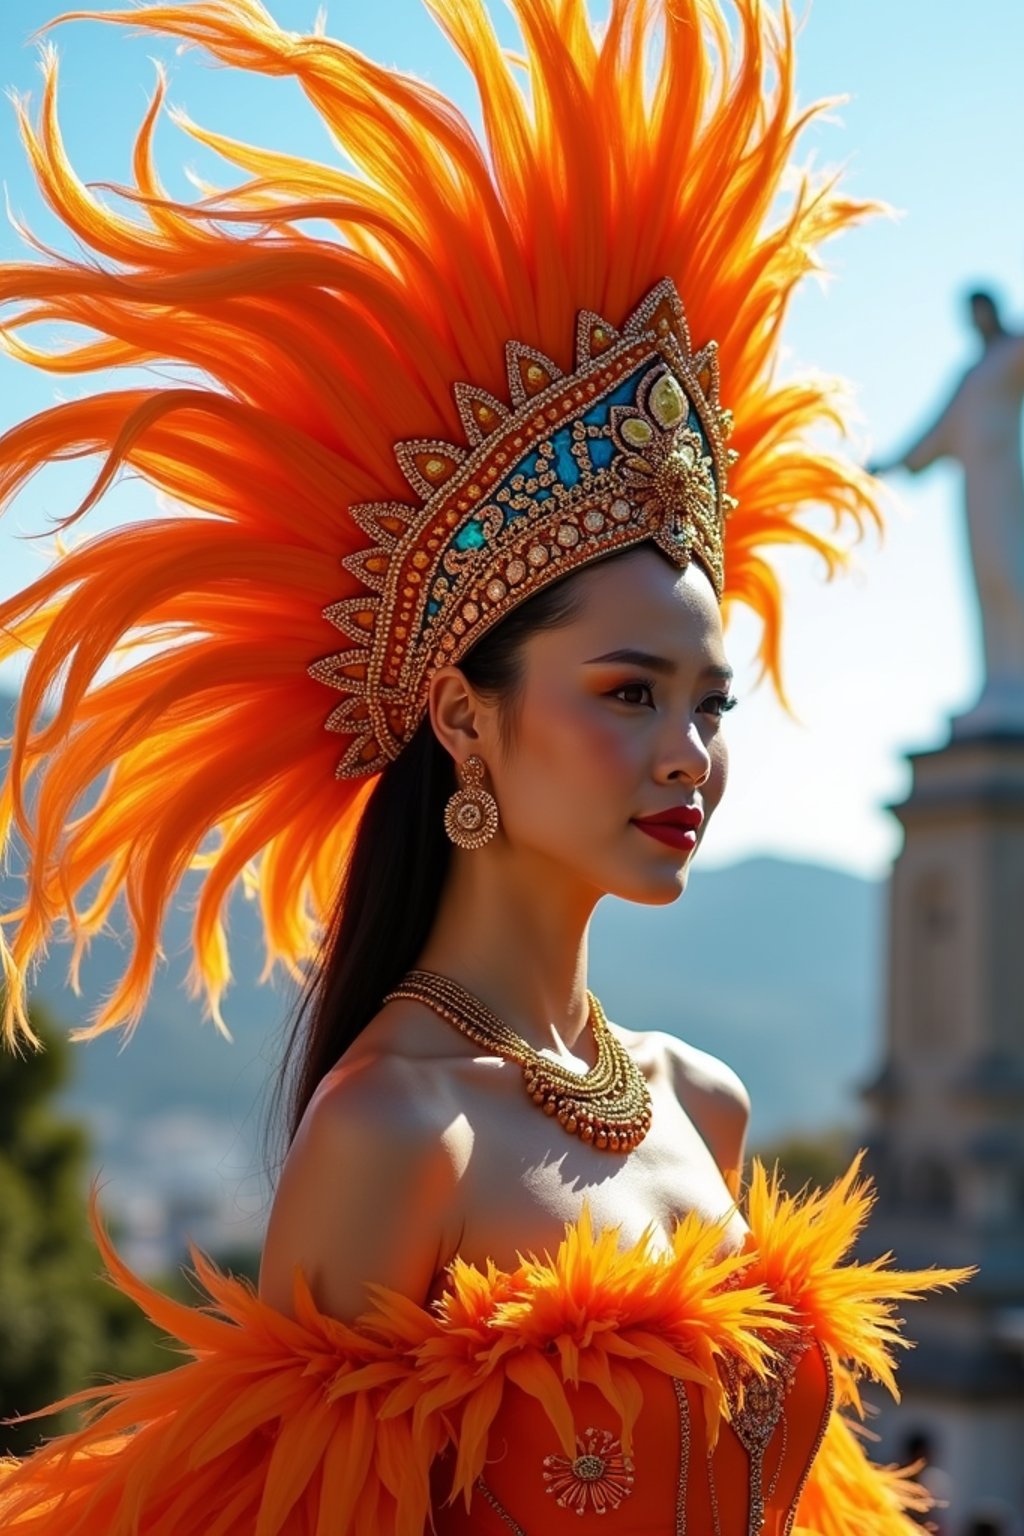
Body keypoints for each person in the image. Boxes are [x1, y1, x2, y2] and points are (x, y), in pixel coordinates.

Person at [0, 1, 970, 1532]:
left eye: (711, 702)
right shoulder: (393, 1132)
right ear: (466, 722)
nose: (689, 754)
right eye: (629, 692)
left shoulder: (699, 1105)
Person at [870, 288, 1024, 735]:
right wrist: (893, 463)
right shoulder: (972, 374)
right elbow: (938, 430)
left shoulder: (1012, 354)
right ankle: (1000, 679)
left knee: (1012, 573)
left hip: (1006, 483)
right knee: (985, 580)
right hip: (976, 491)